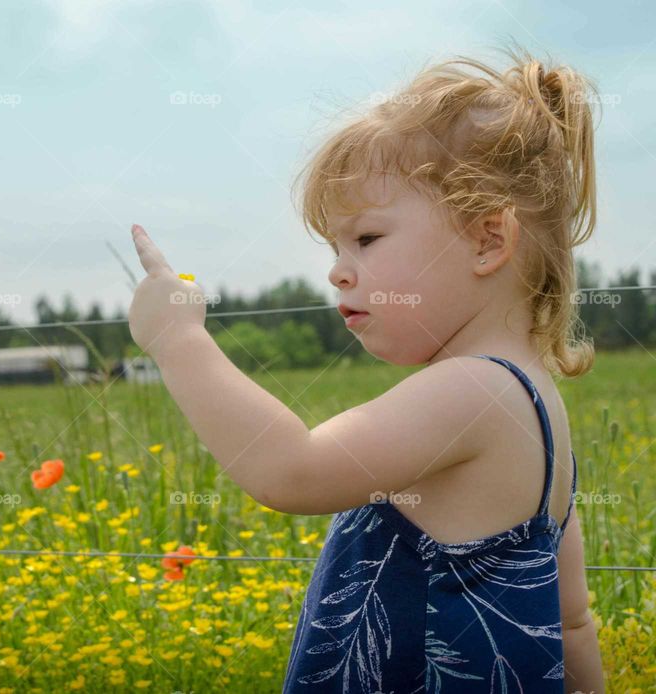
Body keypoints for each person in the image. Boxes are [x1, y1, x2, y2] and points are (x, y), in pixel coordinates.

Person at [127, 44, 606, 693]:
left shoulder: (471, 390)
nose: (337, 270)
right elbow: (571, 623)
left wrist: (177, 339)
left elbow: (291, 471)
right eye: (336, 246)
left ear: (489, 240)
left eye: (368, 239)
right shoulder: (536, 405)